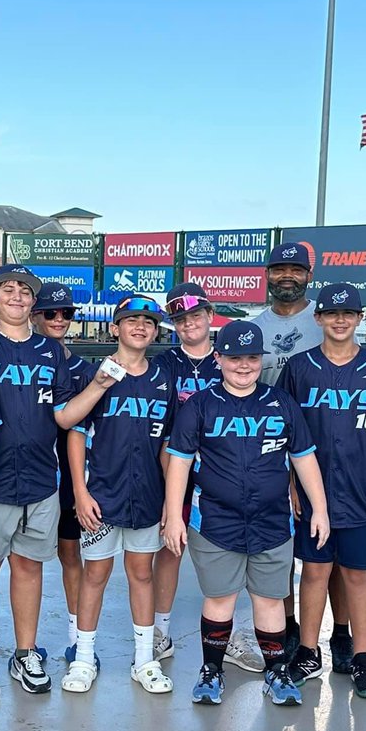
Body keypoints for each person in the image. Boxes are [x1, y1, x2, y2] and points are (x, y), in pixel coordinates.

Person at [0, 264, 111, 697]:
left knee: (28, 568)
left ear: (33, 301)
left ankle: (25, 651)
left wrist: (98, 385)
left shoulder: (50, 352)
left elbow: (63, 415)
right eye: (7, 289)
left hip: (41, 479)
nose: (17, 296)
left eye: (25, 291)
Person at [163, 320, 330, 707]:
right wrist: (174, 515)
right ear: (218, 358)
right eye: (235, 358)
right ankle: (212, 671)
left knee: (270, 600)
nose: (244, 366)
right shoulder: (200, 405)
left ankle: (275, 673)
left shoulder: (281, 403)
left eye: (252, 358)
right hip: (216, 522)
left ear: (261, 360)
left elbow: (303, 458)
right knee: (220, 599)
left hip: (272, 521)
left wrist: (319, 509)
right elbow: (179, 462)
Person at [279, 284, 366, 699]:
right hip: (315, 494)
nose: (339, 319)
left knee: (357, 574)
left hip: (361, 490)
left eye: (348, 313)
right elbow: (286, 432)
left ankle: (363, 658)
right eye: (332, 313)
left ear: (359, 318)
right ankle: (309, 652)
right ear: (318, 318)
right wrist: (293, 484)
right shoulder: (299, 367)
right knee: (313, 572)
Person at [63, 294, 175, 695]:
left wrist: (170, 501)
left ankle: (144, 660)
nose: (140, 327)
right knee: (95, 573)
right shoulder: (98, 374)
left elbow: (168, 446)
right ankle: (82, 658)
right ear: (115, 327)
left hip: (146, 495)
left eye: (148, 321)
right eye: (131, 320)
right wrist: (79, 490)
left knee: (142, 573)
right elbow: (75, 433)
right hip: (101, 497)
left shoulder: (164, 379)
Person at [249, 241, 350, 665]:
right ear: (267, 275)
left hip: (327, 453)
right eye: (278, 269)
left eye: (296, 268)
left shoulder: (326, 319)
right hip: (267, 454)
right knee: (280, 551)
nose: (286, 275)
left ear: (309, 275)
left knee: (336, 556)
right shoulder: (254, 327)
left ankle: (341, 635)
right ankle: (289, 629)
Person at [152, 283, 235, 665]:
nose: (189, 325)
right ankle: (161, 631)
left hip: (222, 470)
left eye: (195, 316)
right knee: (171, 550)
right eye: (180, 319)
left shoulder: (229, 358)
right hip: (175, 467)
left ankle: (224, 633)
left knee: (221, 554)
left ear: (209, 314)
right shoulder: (166, 364)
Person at [28, 283, 95, 664]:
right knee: (21, 564)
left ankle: (76, 637)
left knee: (70, 554)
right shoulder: (18, 358)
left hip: (67, 478)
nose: (58, 320)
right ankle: (26, 644)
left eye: (65, 314)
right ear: (34, 315)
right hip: (23, 475)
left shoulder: (84, 370)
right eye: (50, 313)